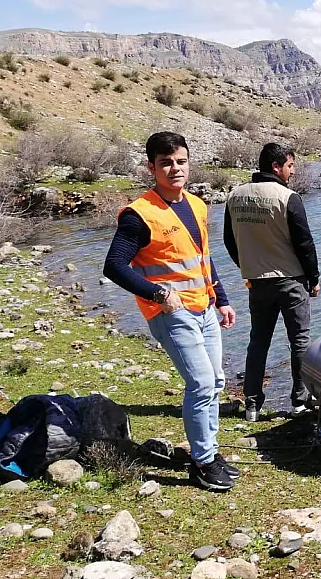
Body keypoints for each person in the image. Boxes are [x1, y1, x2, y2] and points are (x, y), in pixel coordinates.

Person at [103, 132, 238, 492]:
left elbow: (203, 259)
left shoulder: (196, 204)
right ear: (152, 167)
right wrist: (159, 293)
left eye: (180, 161)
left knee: (217, 382)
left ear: (188, 162)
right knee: (201, 384)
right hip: (171, 312)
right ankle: (202, 462)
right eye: (166, 162)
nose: (175, 168)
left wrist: (221, 299)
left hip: (204, 307)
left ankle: (208, 452)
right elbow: (114, 266)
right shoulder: (139, 215)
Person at [223, 143, 320, 423]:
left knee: (258, 342)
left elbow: (230, 242)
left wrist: (247, 267)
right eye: (290, 166)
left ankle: (252, 405)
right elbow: (305, 244)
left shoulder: (235, 197)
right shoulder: (288, 197)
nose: (292, 172)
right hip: (291, 281)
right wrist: (314, 278)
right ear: (276, 167)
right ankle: (299, 402)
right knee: (300, 340)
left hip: (257, 282)